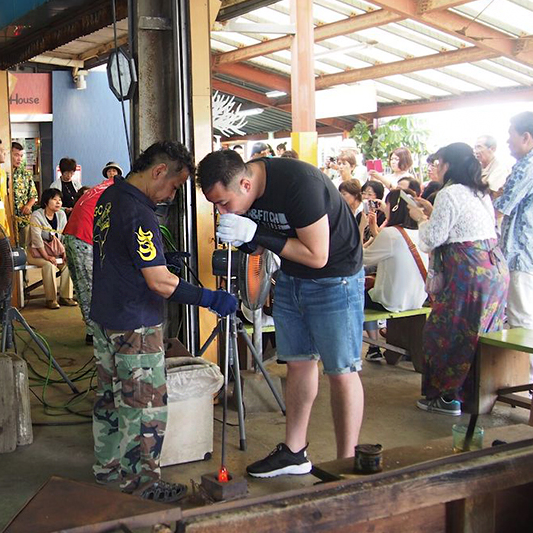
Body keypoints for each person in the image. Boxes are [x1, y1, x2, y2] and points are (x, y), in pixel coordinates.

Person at [198, 149, 365, 477]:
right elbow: (261, 246)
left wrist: (254, 233)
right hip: (291, 276)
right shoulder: (245, 195)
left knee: (341, 370)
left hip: (335, 278)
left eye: (223, 203)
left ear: (245, 183)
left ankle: (347, 464)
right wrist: (245, 238)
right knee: (299, 362)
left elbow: (317, 255)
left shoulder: (298, 184)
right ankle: (294, 451)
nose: (221, 210)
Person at [90, 141, 237, 502]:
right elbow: (160, 281)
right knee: (143, 407)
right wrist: (210, 298)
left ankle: (108, 469)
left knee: (111, 400)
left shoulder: (109, 198)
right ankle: (143, 484)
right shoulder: (140, 213)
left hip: (105, 317)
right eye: (173, 186)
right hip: (135, 325)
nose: (170, 195)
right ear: (159, 171)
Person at [408, 142, 508, 416]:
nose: (435, 167)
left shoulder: (449, 194)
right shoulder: (479, 193)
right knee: (479, 337)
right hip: (493, 270)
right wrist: (431, 213)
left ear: (449, 165)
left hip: (468, 274)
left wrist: (419, 218)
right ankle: (472, 395)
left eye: (438, 162)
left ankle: (448, 397)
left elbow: (430, 239)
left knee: (445, 334)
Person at [495, 112, 533, 423]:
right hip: (526, 254)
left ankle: (527, 385)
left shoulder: (527, 166)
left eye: (511, 134)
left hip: (522, 256)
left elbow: (502, 205)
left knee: (522, 323)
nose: (507, 140)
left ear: (527, 137)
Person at [361, 189, 429, 362]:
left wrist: (364, 233)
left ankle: (369, 346)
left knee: (350, 294)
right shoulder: (423, 232)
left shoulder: (391, 234)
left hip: (392, 302)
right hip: (419, 299)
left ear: (395, 207)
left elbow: (361, 258)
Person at [62, 162, 122, 345]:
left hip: (72, 236)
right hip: (83, 238)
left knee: (83, 287)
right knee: (90, 287)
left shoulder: (102, 188)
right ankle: (97, 333)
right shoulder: (120, 191)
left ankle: (92, 331)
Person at [27, 188, 76, 309]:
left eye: (59, 200)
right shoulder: (36, 215)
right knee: (49, 265)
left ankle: (66, 297)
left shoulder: (61, 214)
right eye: (54, 199)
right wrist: (47, 257)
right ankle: (51, 299)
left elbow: (65, 235)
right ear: (46, 202)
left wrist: (65, 252)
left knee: (68, 264)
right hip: (36, 253)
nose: (58, 202)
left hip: (56, 252)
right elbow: (36, 240)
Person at [11, 141, 38, 248]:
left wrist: (28, 206)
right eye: (16, 155)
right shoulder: (2, 174)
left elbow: (33, 195)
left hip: (24, 219)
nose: (19, 159)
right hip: (7, 219)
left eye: (21, 156)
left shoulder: (25, 174)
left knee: (24, 248)